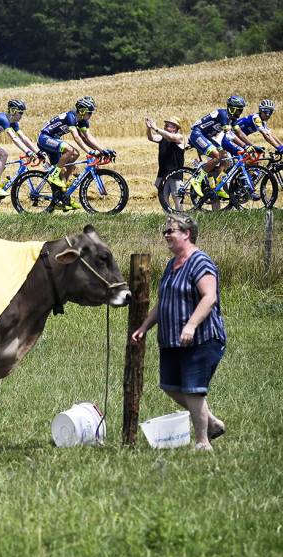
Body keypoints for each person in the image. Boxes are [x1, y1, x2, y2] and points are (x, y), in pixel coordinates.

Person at [131, 213, 227, 451]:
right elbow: (164, 301)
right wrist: (144, 326)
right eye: (165, 231)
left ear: (187, 233)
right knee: (170, 386)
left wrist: (191, 325)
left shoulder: (200, 261)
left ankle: (203, 441)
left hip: (200, 339)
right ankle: (211, 421)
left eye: (171, 230)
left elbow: (209, 297)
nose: (166, 235)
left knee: (194, 389)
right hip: (172, 340)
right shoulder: (171, 264)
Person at [37, 96, 116, 211]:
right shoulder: (71, 116)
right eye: (90, 113)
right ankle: (53, 175)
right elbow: (77, 138)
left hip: (54, 139)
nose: (91, 115)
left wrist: (102, 150)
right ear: (83, 111)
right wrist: (90, 151)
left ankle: (63, 198)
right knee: (70, 150)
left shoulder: (82, 121)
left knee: (72, 160)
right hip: (45, 138)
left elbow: (87, 138)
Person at [188, 95, 248, 203]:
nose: (241, 112)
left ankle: (218, 184)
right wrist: (244, 146)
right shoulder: (223, 114)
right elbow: (229, 133)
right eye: (239, 110)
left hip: (207, 136)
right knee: (216, 156)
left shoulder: (231, 119)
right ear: (232, 108)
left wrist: (248, 145)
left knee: (225, 158)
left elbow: (239, 132)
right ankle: (197, 180)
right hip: (197, 134)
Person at [145, 116, 185, 206]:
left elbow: (171, 137)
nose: (165, 127)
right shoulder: (162, 137)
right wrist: (149, 128)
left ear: (174, 128)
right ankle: (168, 217)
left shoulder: (179, 137)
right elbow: (150, 138)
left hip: (175, 174)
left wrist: (156, 128)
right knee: (163, 198)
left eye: (167, 125)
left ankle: (181, 217)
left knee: (177, 199)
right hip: (163, 172)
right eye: (165, 125)